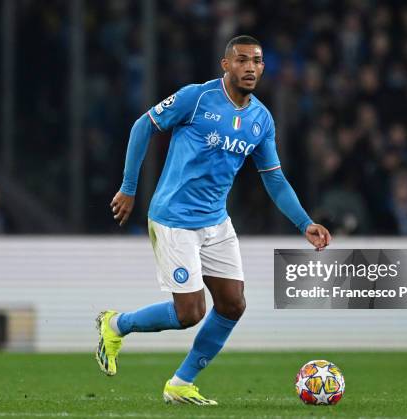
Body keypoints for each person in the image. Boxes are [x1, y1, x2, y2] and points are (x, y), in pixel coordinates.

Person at [96, 35, 331, 405]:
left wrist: (305, 223)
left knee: (233, 304)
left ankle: (180, 383)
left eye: (256, 61)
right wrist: (128, 187)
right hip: (174, 219)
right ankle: (115, 324)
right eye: (241, 60)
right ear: (226, 65)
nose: (250, 67)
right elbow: (143, 126)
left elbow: (274, 178)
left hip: (216, 222)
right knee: (189, 313)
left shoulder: (261, 120)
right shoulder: (196, 98)